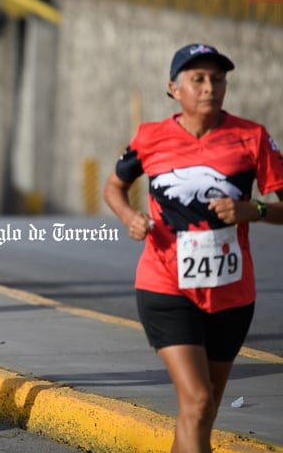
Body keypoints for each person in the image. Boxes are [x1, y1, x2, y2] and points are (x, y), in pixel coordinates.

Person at [103, 43, 283, 453]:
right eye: (198, 79)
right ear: (174, 88)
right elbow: (114, 186)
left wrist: (251, 209)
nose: (209, 87)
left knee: (202, 410)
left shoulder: (251, 137)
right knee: (198, 401)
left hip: (231, 292)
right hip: (166, 286)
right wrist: (131, 218)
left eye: (217, 79)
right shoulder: (150, 138)